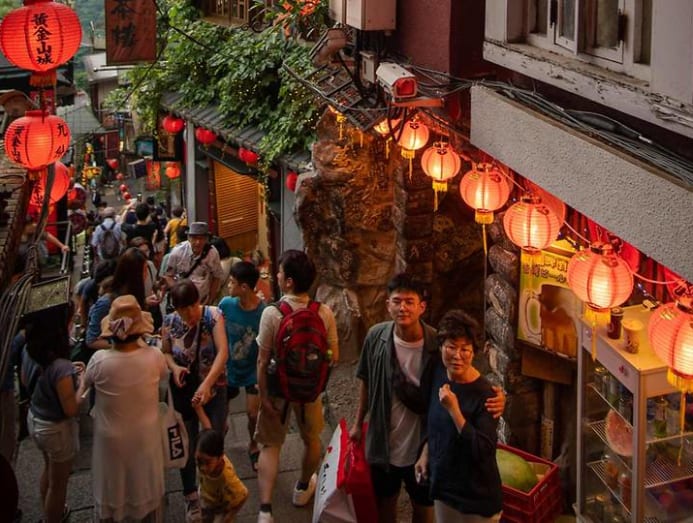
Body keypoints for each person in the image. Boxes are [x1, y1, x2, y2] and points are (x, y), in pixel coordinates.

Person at [349, 273, 505, 523]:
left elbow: (462, 372)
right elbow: (366, 380)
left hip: (423, 443)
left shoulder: (437, 343)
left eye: (409, 302)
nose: (403, 308)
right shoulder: (376, 337)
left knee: (423, 508)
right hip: (384, 441)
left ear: (422, 307)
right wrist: (358, 424)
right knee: (385, 502)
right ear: (387, 304)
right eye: (397, 301)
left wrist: (495, 394)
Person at [255, 249, 339, 523]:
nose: (277, 276)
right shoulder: (323, 312)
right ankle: (303, 488)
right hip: (309, 391)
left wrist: (263, 395)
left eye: (280, 272)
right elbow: (333, 356)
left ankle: (265, 510)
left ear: (289, 281)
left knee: (270, 445)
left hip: (278, 390)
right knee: (312, 439)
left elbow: (262, 360)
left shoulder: (272, 313)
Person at [77, 295, 167, 522]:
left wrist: (79, 378)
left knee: (113, 490)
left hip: (111, 441)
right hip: (145, 436)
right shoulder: (154, 357)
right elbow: (163, 376)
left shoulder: (99, 360)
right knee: (144, 491)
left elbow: (82, 391)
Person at [414, 310, 503, 522]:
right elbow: (430, 418)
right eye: (451, 347)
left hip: (475, 496)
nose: (457, 355)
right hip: (444, 488)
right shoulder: (437, 371)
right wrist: (425, 453)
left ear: (474, 353)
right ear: (441, 347)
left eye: (465, 349)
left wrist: (454, 410)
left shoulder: (487, 396)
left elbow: (483, 450)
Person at [161, 279, 229, 523]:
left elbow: (223, 352)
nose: (189, 313)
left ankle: (214, 490)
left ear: (198, 301)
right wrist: (174, 367)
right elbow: (166, 352)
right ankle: (190, 494)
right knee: (187, 443)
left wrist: (207, 384)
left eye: (192, 306)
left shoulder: (213, 316)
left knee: (213, 440)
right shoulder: (169, 322)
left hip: (214, 389)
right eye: (183, 308)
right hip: (186, 394)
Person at [21, 315, 79, 523]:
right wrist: (82, 384)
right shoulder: (61, 367)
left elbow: (25, 381)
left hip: (35, 418)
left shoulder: (29, 351)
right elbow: (70, 409)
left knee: (48, 469)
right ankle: (53, 517)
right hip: (55, 429)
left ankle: (48, 512)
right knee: (58, 484)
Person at [218, 261, 266, 472]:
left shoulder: (263, 312)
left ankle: (254, 445)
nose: (229, 285)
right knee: (221, 415)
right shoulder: (226, 305)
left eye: (232, 282)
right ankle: (218, 447)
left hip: (252, 370)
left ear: (244, 287)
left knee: (253, 414)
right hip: (229, 368)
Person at [85, 248, 156, 352]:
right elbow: (92, 341)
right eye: (144, 270)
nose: (147, 274)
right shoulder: (106, 302)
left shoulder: (136, 296)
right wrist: (124, 346)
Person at [164, 222, 224, 306]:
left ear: (206, 239)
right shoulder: (177, 252)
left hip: (203, 301)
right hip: (182, 302)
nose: (198, 242)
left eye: (202, 238)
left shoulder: (212, 253)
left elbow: (216, 276)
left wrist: (211, 299)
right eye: (194, 238)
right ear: (188, 238)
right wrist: (178, 292)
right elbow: (168, 276)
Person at [195, 429, 248, 523]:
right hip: (206, 496)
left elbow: (244, 494)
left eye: (207, 462)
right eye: (199, 460)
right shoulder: (209, 464)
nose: (202, 467)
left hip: (220, 506)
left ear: (220, 457)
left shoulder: (227, 478)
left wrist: (230, 515)